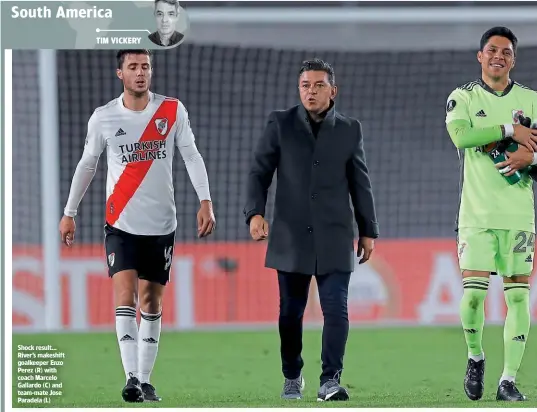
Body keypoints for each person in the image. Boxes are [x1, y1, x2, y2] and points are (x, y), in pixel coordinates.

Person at [59, 49, 215, 403]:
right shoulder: (103, 118)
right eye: (133, 67)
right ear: (120, 74)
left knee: (151, 301)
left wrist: (205, 200)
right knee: (125, 295)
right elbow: (88, 165)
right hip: (120, 223)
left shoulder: (171, 111)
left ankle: (145, 380)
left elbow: (191, 154)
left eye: (145, 66)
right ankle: (130, 378)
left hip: (162, 224)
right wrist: (70, 211)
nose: (141, 72)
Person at [243, 58, 379, 402]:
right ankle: (292, 375)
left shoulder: (350, 129)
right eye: (306, 85)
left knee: (337, 308)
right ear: (298, 89)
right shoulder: (280, 123)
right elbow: (259, 172)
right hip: (290, 235)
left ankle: (330, 379)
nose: (311, 91)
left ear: (333, 91)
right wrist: (254, 213)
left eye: (319, 85)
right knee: (290, 311)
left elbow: (360, 183)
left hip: (334, 235)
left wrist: (368, 230)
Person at [445, 26, 537, 402]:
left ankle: (508, 380)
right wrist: (507, 129)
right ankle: (475, 356)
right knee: (472, 298)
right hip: (477, 216)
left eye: (506, 51)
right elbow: (461, 138)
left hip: (518, 215)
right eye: (492, 50)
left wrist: (530, 156)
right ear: (480, 57)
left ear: (514, 59)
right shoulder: (462, 97)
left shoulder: (532, 100)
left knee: (518, 299)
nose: (498, 55)